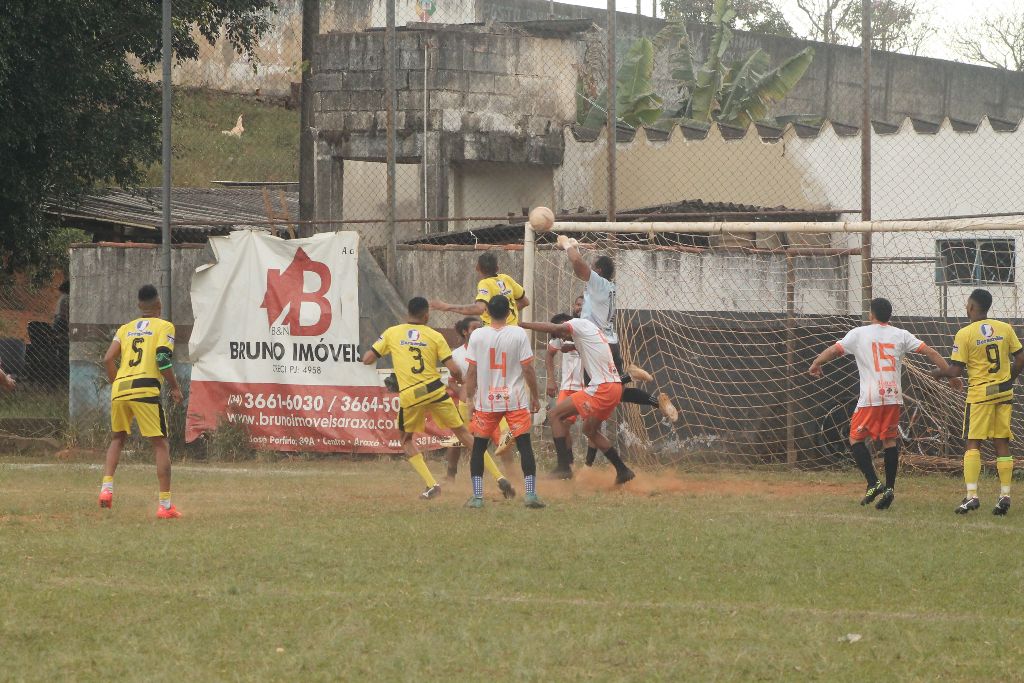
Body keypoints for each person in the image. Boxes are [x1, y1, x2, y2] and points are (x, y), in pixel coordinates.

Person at [809, 297, 959, 510]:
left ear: (871, 314)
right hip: (893, 396)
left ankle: (873, 483)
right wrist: (951, 376)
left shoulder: (859, 333)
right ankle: (889, 488)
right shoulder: (901, 334)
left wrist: (816, 363)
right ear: (889, 315)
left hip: (871, 397)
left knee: (855, 439)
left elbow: (834, 350)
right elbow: (931, 352)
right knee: (889, 442)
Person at [559, 238, 678, 475]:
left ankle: (583, 466)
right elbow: (580, 269)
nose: (590, 269)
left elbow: (579, 266)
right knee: (616, 394)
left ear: (599, 270)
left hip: (599, 347)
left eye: (594, 266)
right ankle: (649, 396)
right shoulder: (607, 288)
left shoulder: (599, 284)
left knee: (595, 404)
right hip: (607, 345)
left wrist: (567, 246)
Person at [363, 297, 498, 500]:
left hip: (411, 394)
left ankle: (432, 484)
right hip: (435, 390)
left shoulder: (392, 333)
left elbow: (368, 359)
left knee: (406, 440)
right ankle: (500, 478)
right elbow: (454, 369)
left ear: (408, 313)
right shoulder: (434, 335)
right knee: (464, 434)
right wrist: (459, 380)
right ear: (426, 315)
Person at [933, 289, 1024, 515]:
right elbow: (1020, 357)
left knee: (973, 442)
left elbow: (955, 370)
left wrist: (938, 373)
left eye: (967, 304)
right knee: (1002, 441)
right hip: (1003, 393)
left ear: (972, 307)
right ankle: (1005, 496)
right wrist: (1009, 379)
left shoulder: (965, 333)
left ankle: (972, 496)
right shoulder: (1005, 328)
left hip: (980, 396)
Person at [99, 284, 184, 518]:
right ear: (159, 305)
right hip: (145, 388)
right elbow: (162, 360)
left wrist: (117, 384)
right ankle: (165, 506)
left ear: (139, 306)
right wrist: (175, 387)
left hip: (120, 388)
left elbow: (108, 358)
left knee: (117, 438)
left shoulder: (125, 329)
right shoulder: (164, 326)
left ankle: (106, 489)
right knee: (160, 444)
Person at [523, 313, 635, 486]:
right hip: (614, 388)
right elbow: (585, 345)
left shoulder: (576, 324)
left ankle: (563, 467)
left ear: (564, 324)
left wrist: (523, 324)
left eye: (560, 334)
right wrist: (571, 346)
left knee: (554, 415)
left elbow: (557, 328)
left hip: (602, 388)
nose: (561, 338)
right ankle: (623, 470)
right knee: (589, 430)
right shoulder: (590, 330)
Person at [463, 296, 545, 508]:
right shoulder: (518, 333)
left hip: (486, 401)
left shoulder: (477, 335)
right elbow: (528, 368)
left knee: (479, 447)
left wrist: (470, 399)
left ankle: (477, 497)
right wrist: (535, 396)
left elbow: (471, 371)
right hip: (514, 400)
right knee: (524, 446)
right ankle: (530, 495)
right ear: (509, 313)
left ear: (487, 312)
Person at [445, 315, 516, 497]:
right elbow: (451, 381)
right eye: (475, 328)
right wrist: (461, 392)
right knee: (457, 441)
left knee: (505, 441)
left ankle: (512, 477)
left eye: (481, 327)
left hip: (491, 402)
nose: (479, 330)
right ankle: (450, 475)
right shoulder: (457, 354)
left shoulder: (491, 349)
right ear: (465, 332)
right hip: (468, 405)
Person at [429, 251, 530, 326]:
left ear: (477, 268)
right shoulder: (506, 278)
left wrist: (447, 306)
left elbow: (479, 309)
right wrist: (506, 315)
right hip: (513, 329)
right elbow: (525, 302)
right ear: (497, 268)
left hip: (494, 332)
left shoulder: (484, 283)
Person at [545, 297, 585, 465]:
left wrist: (574, 346)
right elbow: (549, 354)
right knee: (560, 422)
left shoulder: (591, 329)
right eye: (577, 304)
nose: (580, 307)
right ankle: (568, 463)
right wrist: (551, 380)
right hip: (568, 387)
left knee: (592, 428)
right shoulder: (563, 329)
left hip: (589, 387)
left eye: (583, 305)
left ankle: (589, 464)